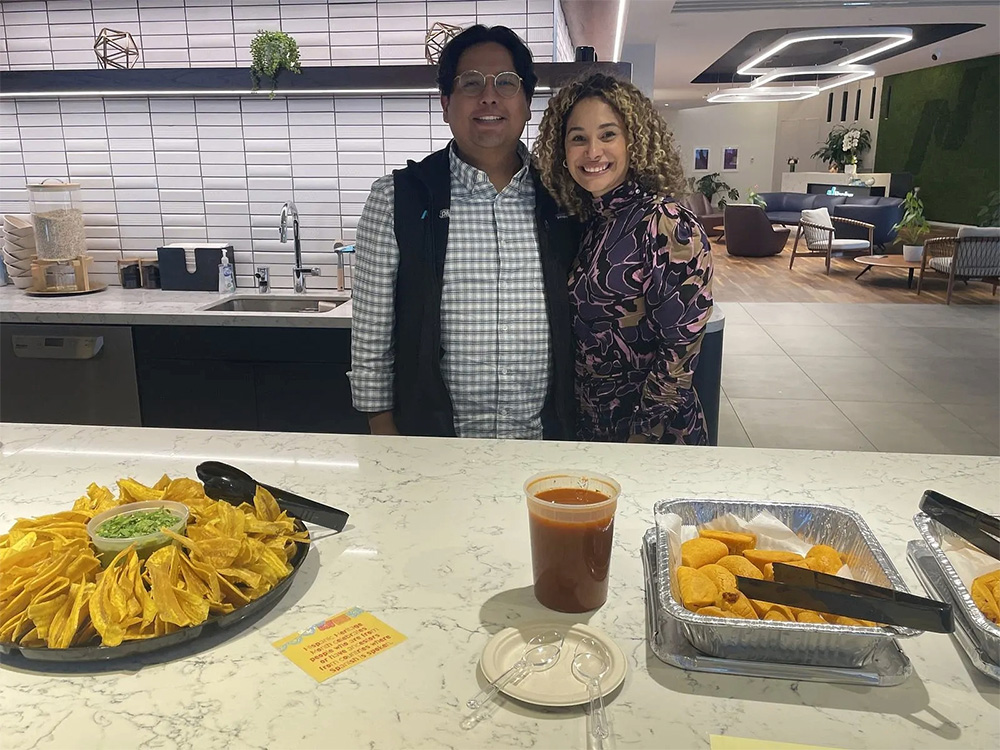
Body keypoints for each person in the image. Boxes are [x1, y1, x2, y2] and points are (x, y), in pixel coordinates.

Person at [349, 25, 579, 440]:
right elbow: (371, 330)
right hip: (432, 445)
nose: (489, 96)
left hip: (545, 444)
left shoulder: (564, 198)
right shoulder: (397, 199)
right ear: (445, 103)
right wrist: (381, 425)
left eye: (506, 83)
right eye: (470, 83)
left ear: (527, 103)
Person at [532, 73, 714, 444]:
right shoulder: (592, 222)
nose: (593, 151)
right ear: (562, 153)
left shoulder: (666, 223)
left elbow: (679, 352)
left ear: (635, 141)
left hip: (654, 437)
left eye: (608, 134)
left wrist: (640, 439)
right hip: (595, 429)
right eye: (578, 138)